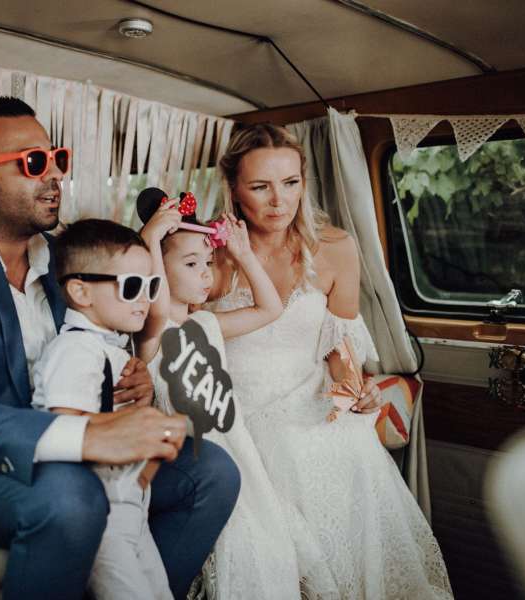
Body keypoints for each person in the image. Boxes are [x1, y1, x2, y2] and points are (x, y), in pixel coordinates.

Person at [0, 95, 240, 600]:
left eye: (57, 158)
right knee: (73, 497)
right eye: (33, 163)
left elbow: (97, 339)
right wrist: (86, 437)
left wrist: (127, 377)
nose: (55, 175)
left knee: (213, 472)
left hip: (82, 450)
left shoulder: (67, 254)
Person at [205, 122, 453, 599]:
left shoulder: (336, 247)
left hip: (305, 396)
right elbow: (182, 335)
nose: (279, 201)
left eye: (290, 183)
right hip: (230, 406)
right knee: (282, 452)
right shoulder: (208, 254)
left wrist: (355, 386)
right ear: (233, 189)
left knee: (345, 440)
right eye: (260, 187)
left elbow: (338, 345)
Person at [136, 196, 309, 600]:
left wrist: (243, 254)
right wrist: (150, 240)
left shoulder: (207, 323)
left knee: (260, 545)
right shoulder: (150, 333)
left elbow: (270, 308)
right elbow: (158, 309)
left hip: (234, 447)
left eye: (209, 262)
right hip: (192, 457)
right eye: (190, 264)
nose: (205, 274)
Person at [31, 218, 172, 600]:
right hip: (101, 508)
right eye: (131, 286)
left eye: (151, 286)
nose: (144, 298)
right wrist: (135, 425)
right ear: (81, 291)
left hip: (130, 504)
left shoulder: (108, 346)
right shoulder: (75, 351)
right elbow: (63, 424)